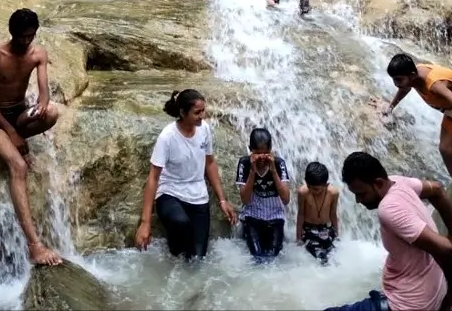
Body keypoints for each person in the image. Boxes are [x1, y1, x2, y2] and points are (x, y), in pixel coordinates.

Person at [323, 151, 452, 311]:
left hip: (408, 305)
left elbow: (445, 248)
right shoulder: (398, 182)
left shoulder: (388, 209)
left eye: (361, 194)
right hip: (420, 291)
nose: (358, 200)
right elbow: (437, 189)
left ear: (379, 184)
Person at [0, 8, 62, 266]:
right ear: (12, 34)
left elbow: (44, 94)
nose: (26, 42)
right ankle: (34, 246)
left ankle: (18, 138)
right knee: (18, 166)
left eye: (30, 36)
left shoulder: (38, 53)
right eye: (22, 37)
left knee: (52, 114)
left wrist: (41, 107)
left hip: (19, 112)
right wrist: (12, 133)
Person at [135, 89, 237, 259]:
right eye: (197, 112)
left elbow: (210, 163)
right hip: (170, 194)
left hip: (198, 197)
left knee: (197, 258)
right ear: (183, 113)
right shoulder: (167, 137)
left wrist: (222, 200)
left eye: (203, 110)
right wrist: (145, 223)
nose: (202, 115)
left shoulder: (204, 129)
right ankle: (173, 250)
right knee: (181, 223)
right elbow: (153, 177)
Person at [384, 53, 452, 179]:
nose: (396, 83)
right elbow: (404, 88)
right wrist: (390, 107)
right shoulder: (412, 77)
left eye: (399, 79)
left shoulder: (434, 84)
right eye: (394, 79)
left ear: (412, 75)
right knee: (445, 149)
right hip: (451, 110)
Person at [236, 127, 290, 260]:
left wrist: (273, 171)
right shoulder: (244, 163)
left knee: (273, 257)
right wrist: (253, 171)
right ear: (250, 150)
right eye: (257, 153)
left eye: (265, 153)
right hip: (253, 216)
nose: (261, 158)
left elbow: (286, 199)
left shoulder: (279, 164)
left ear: (271, 151)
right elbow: (245, 200)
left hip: (275, 217)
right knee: (256, 256)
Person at [296, 162, 339, 264]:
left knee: (334, 255)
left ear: (326, 185)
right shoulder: (303, 192)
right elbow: (301, 214)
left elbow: (333, 214)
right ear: (306, 182)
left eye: (316, 189)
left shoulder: (333, 193)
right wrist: (298, 238)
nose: (312, 191)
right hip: (309, 230)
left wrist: (337, 234)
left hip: (326, 229)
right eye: (309, 187)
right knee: (321, 257)